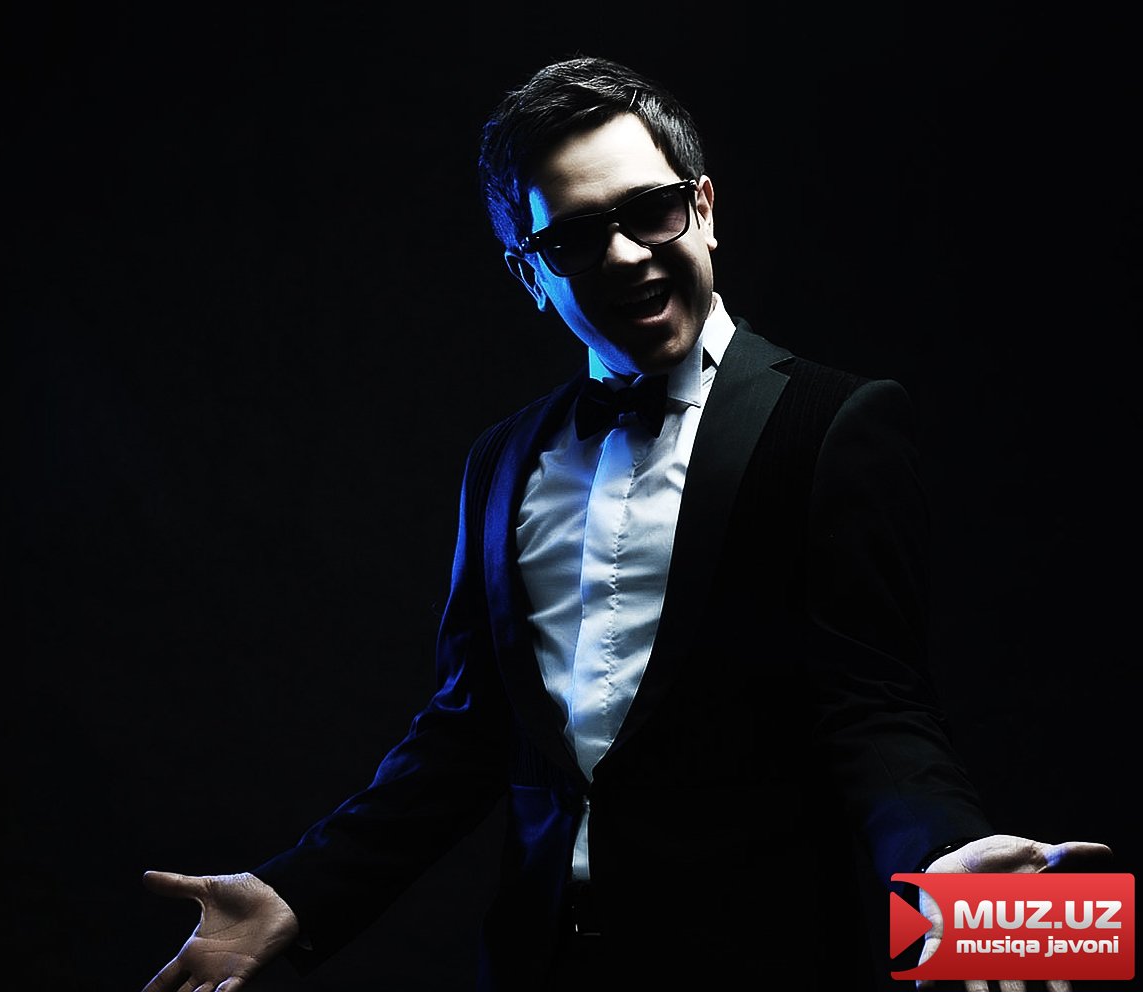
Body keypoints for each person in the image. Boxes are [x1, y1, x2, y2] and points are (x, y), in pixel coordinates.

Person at [139, 55, 1112, 992]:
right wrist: (296, 892)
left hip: (762, 967)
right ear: (529, 274)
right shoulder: (501, 460)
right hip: (535, 966)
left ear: (704, 209)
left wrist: (942, 862)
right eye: (573, 238)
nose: (623, 254)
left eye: (650, 210)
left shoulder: (835, 422)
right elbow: (468, 732)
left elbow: (874, 707)